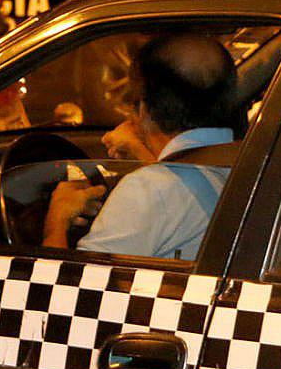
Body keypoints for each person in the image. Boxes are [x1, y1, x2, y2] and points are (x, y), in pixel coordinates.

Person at [43, 34, 236, 259]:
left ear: (144, 108)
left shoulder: (147, 190)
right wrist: (141, 150)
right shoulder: (249, 167)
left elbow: (71, 288)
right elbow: (181, 189)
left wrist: (56, 221)